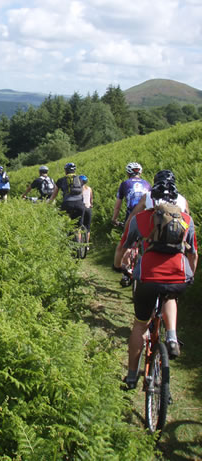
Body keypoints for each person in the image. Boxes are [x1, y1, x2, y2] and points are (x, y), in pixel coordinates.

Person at [113, 179, 198, 389]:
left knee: (140, 324)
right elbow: (193, 254)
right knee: (170, 296)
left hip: (148, 278)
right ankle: (171, 337)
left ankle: (132, 376)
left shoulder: (141, 219)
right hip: (177, 277)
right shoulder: (186, 219)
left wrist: (118, 265)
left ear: (151, 199)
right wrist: (190, 275)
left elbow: (125, 246)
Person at [112, 162, 151, 286]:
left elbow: (118, 206)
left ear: (128, 173)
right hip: (147, 216)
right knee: (143, 243)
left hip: (132, 216)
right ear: (140, 172)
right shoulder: (147, 184)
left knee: (127, 244)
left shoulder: (125, 184)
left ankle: (125, 272)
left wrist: (114, 219)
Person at [49, 163, 85, 227]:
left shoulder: (60, 180)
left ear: (65, 171)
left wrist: (49, 203)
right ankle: (79, 235)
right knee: (78, 227)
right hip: (79, 204)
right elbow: (82, 193)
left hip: (67, 204)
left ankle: (65, 232)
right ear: (74, 170)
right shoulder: (80, 180)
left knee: (64, 224)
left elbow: (54, 194)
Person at [80, 175, 93, 245]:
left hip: (80, 209)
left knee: (78, 227)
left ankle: (79, 244)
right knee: (88, 227)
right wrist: (91, 204)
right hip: (88, 209)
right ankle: (87, 245)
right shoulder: (89, 189)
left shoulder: (78, 189)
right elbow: (91, 200)